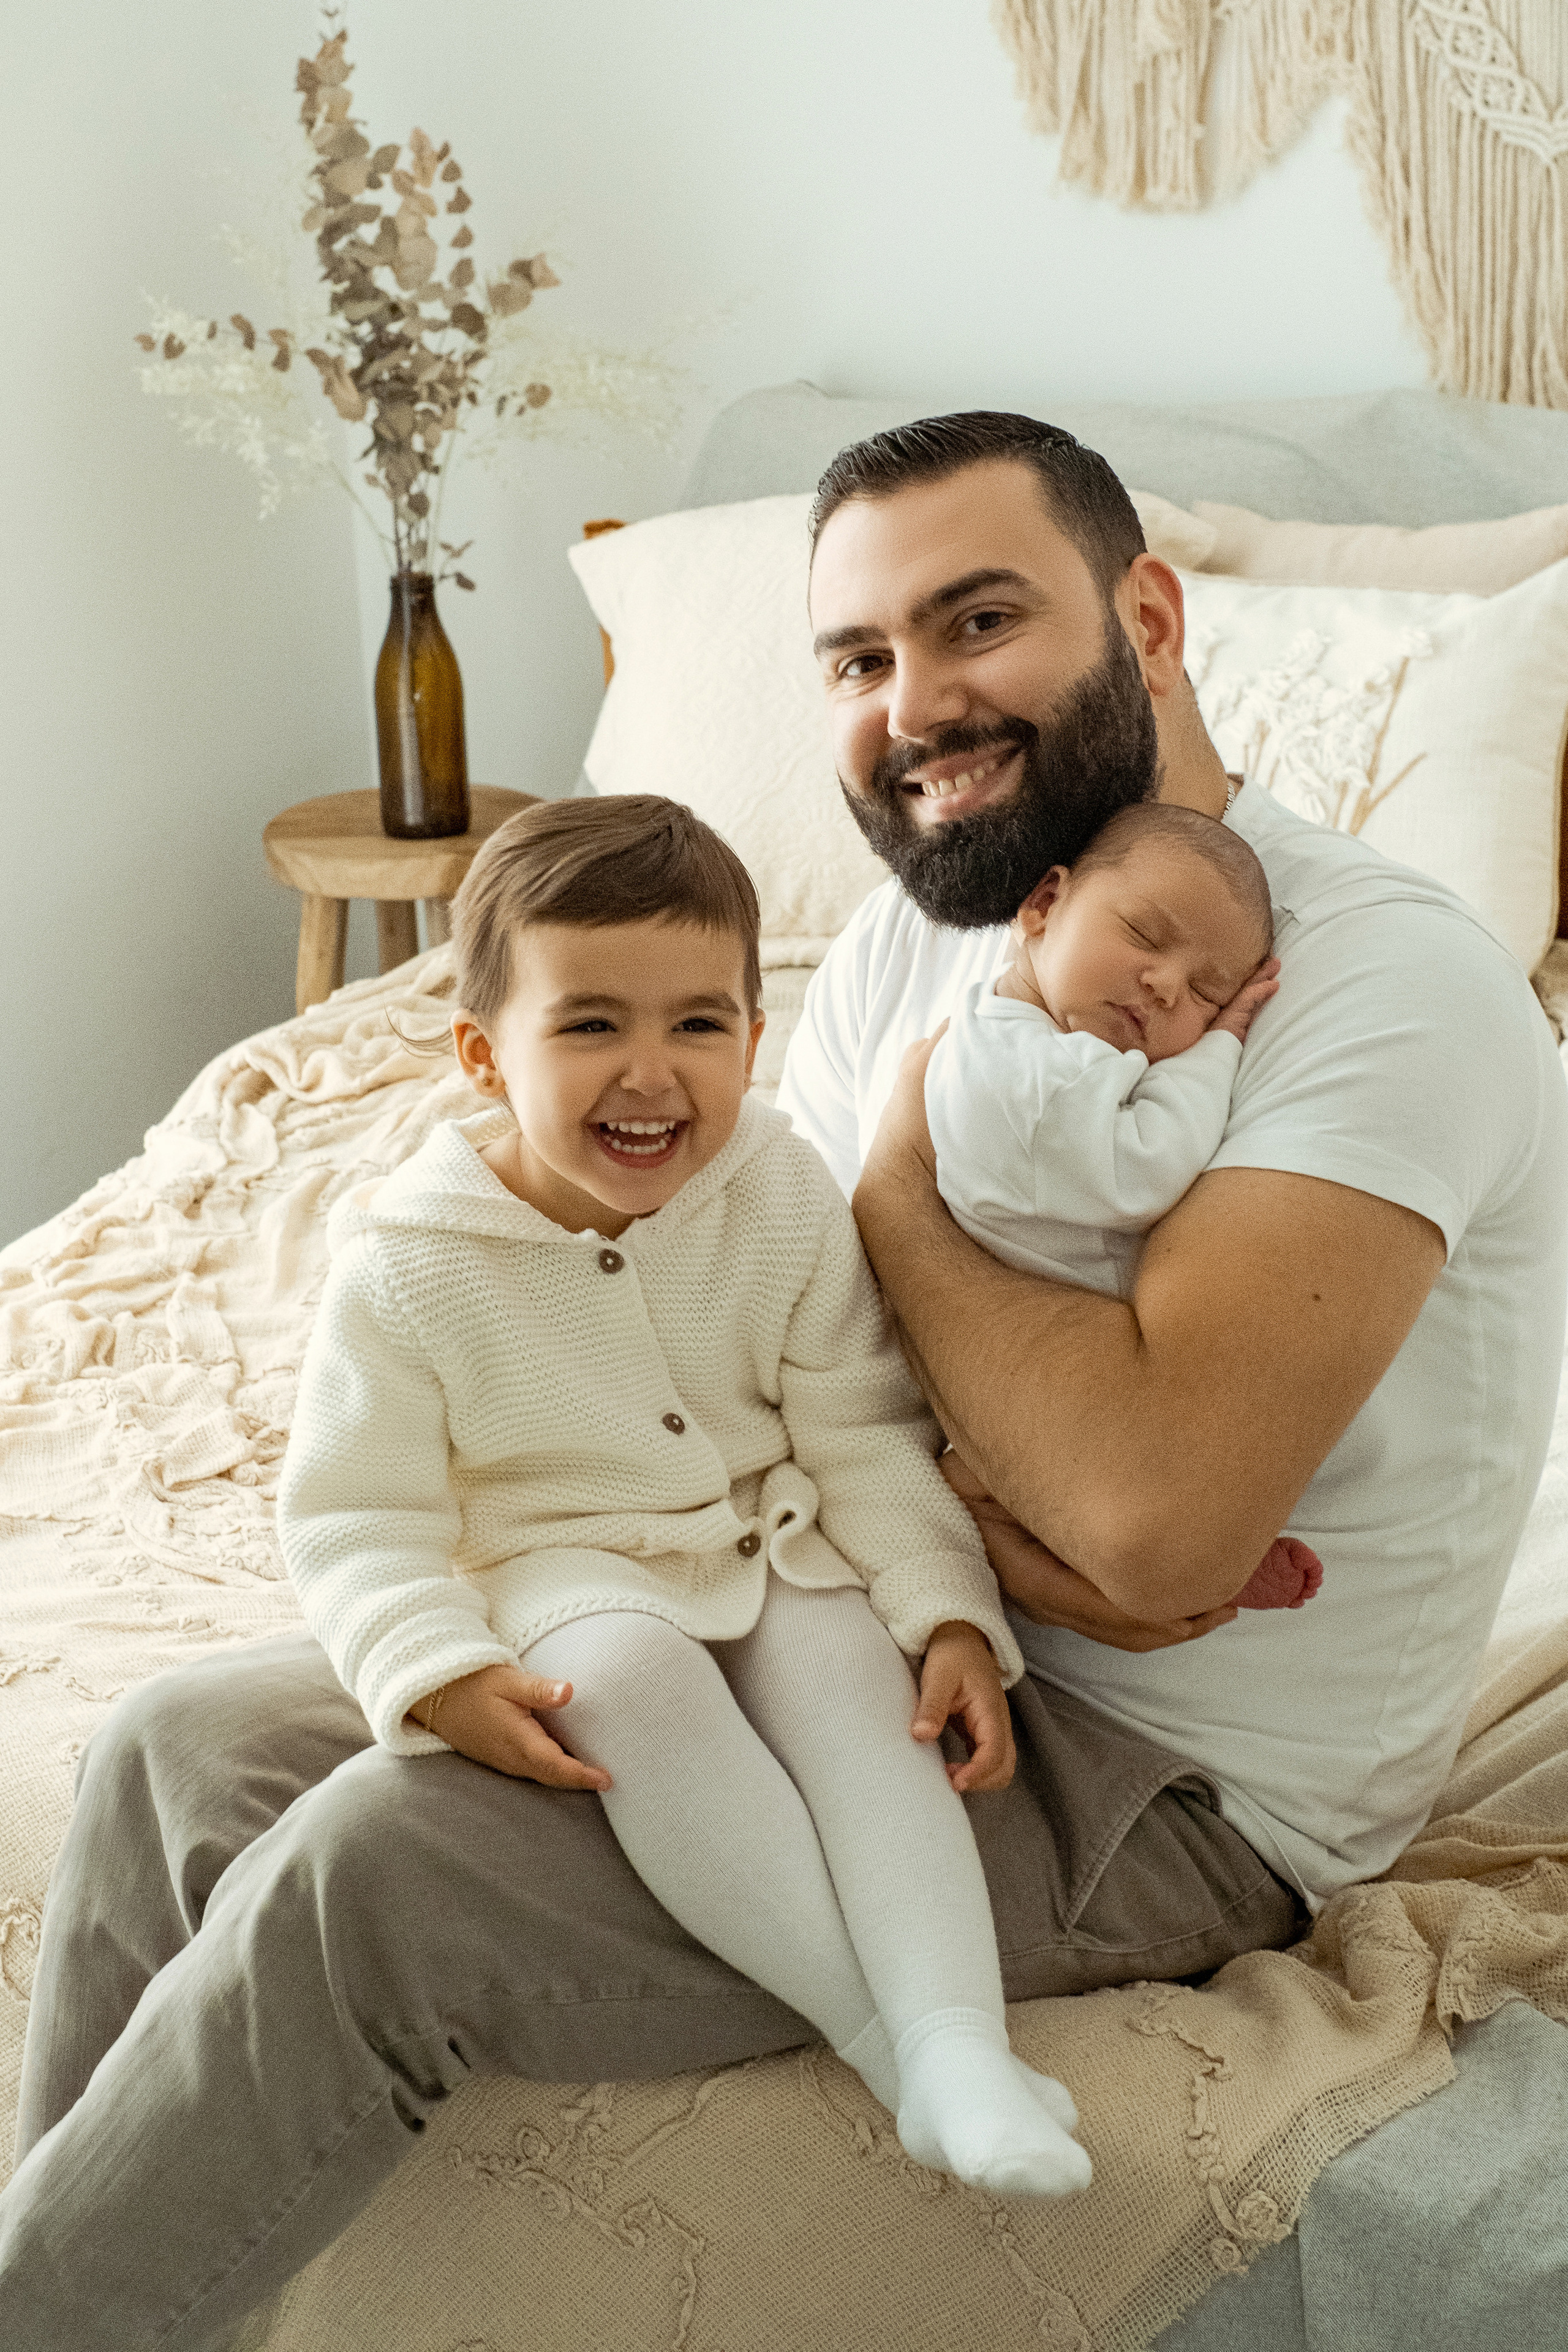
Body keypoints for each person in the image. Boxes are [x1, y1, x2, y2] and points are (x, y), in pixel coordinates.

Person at [783, 407, 1568, 1914]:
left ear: (1146, 622)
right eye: (858, 661)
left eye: (978, 622)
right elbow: (768, 1356)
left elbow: (1148, 1529)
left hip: (1173, 1784)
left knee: (371, 1886)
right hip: (854, 1635)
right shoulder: (893, 948)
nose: (915, 706)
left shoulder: (1379, 981)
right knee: (271, 1745)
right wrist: (981, 1517)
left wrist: (893, 1192)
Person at [276, 790, 1090, 2203]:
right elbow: (357, 1516)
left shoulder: (776, 1184)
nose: (648, 1074)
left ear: (753, 1041)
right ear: (483, 1055)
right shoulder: (407, 1261)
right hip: (560, 1567)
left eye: (697, 1024)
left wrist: (945, 1612)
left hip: (770, 1533)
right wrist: (433, 1668)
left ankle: (959, 2042)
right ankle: (895, 2054)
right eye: (590, 1024)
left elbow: (861, 1431)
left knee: (859, 1678)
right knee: (627, 1685)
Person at [925, 796, 1321, 1616]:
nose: (1167, 984)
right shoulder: (1034, 1080)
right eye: (1143, 934)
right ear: (1043, 905)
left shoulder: (1019, 1032)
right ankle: (1170, 1556)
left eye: (1209, 990)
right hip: (1031, 1382)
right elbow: (1145, 1169)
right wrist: (1221, 1043)